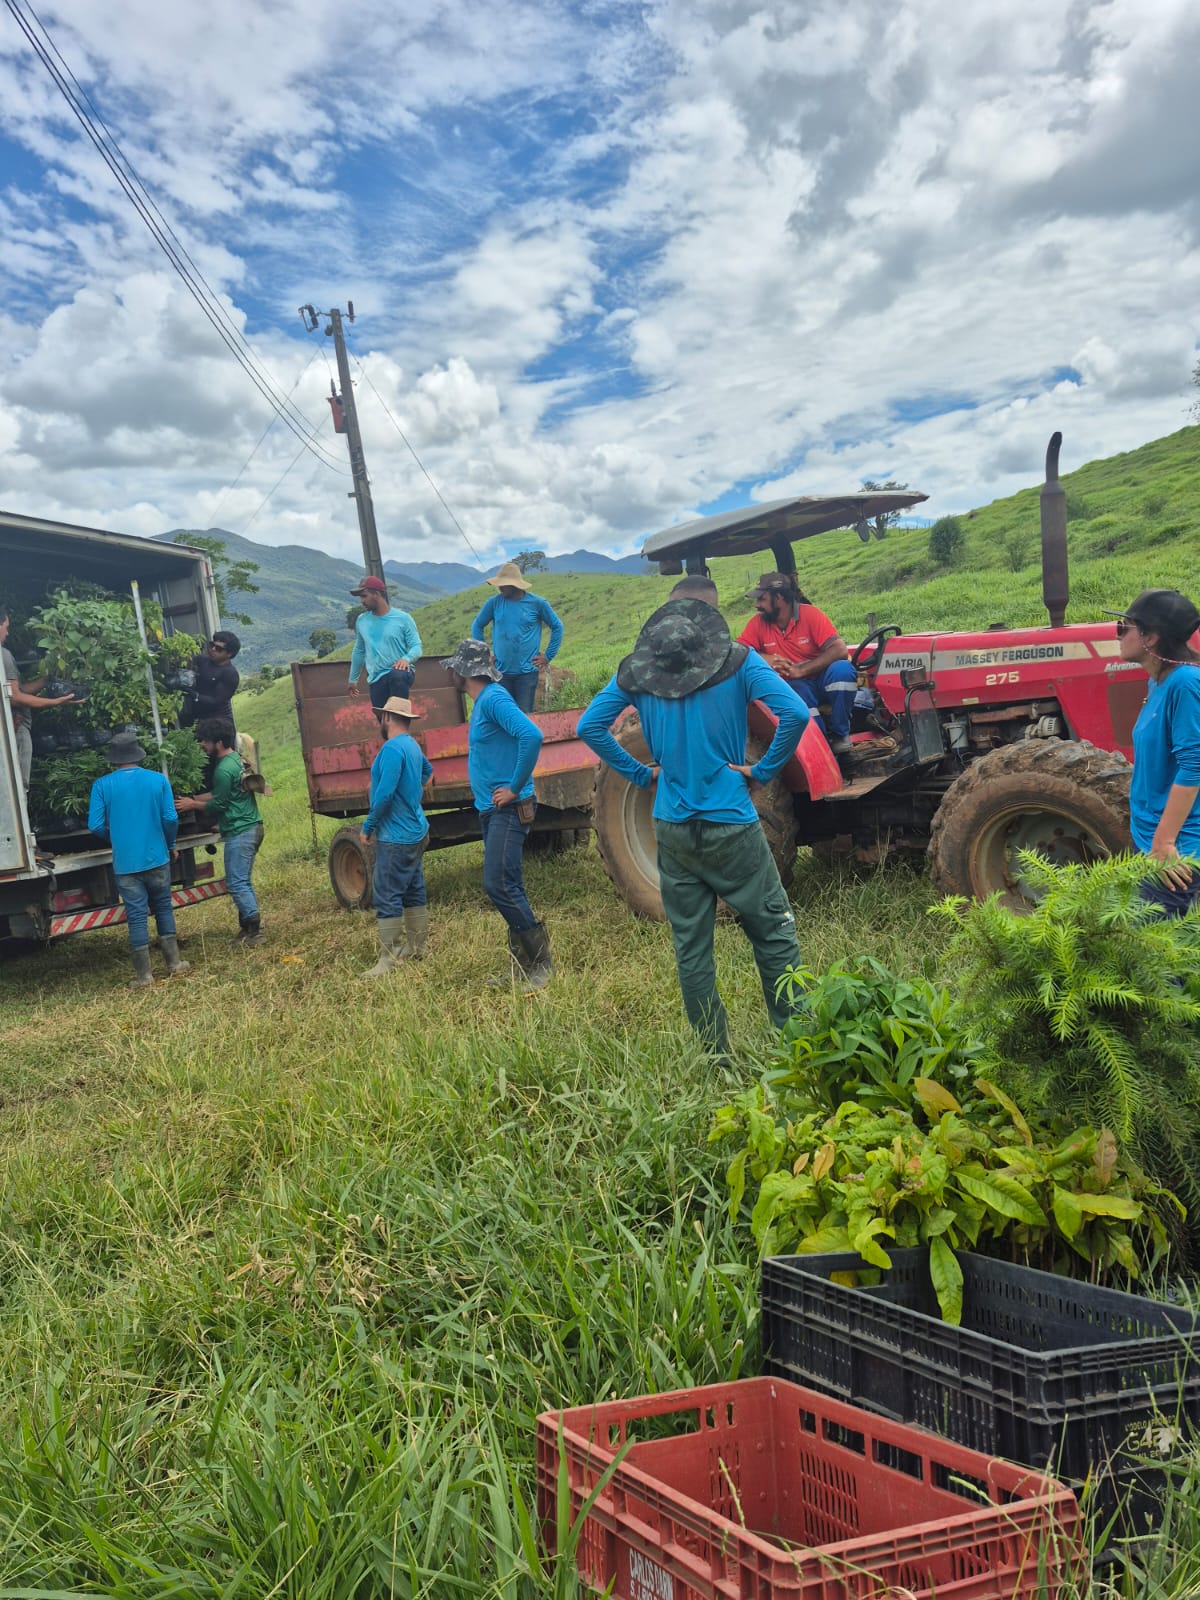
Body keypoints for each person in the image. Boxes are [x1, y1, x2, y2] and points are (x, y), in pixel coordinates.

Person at [578, 579, 808, 1056]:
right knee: (774, 933)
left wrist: (641, 775)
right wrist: (763, 772)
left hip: (673, 831)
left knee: (692, 949)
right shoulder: (741, 662)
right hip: (734, 825)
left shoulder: (639, 674)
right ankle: (798, 1047)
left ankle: (714, 1054)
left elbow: (589, 727)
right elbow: (796, 714)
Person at [441, 637, 553, 988]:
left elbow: (531, 735)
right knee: (510, 883)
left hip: (508, 807)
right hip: (492, 808)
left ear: (464, 671)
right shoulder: (485, 702)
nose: (451, 675)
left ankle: (541, 964)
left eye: (454, 669)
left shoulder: (493, 698)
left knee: (497, 884)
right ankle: (522, 966)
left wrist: (516, 787)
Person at [1106, 588, 1200, 916]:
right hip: (1149, 835)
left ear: (1151, 637)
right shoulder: (1158, 681)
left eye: (1124, 627)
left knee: (1165, 959)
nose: (1117, 635)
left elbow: (1194, 765)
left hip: (1176, 849)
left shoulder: (1185, 683)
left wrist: (1164, 843)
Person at [87, 731, 190, 988]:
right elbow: (170, 818)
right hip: (157, 857)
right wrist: (170, 844)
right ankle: (175, 964)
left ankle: (144, 976)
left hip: (126, 864)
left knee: (136, 916)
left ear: (114, 758)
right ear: (137, 753)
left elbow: (95, 825)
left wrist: (116, 838)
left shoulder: (102, 785)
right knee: (164, 908)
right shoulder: (158, 780)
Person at [736, 572, 858, 754]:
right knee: (797, 692)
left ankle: (841, 734)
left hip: (821, 679)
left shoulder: (810, 615)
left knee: (843, 670)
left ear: (778, 598)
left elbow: (839, 650)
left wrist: (802, 670)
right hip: (795, 685)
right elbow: (738, 653)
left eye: (762, 599)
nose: (757, 605)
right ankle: (822, 749)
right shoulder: (757, 624)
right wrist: (765, 658)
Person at [175, 717, 265, 944]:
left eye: (205, 742)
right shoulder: (236, 760)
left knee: (237, 883)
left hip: (240, 830)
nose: (202, 746)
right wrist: (193, 798)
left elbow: (219, 804)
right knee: (241, 880)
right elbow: (220, 793)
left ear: (218, 742)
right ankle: (247, 928)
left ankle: (255, 931)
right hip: (250, 826)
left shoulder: (223, 770)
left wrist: (192, 805)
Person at [361, 696, 432, 976]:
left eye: (381, 717)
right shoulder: (412, 745)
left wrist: (368, 827)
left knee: (387, 892)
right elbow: (428, 771)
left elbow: (385, 794)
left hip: (395, 835)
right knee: (414, 886)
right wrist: (412, 796)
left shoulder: (391, 749)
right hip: (417, 829)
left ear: (387, 718)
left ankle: (388, 959)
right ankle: (417, 947)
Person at [1, 607, 84, 791]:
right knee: (17, 788)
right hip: (14, 729)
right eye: (6, 626)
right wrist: (55, 702)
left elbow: (17, 690)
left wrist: (46, 681)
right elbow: (15, 697)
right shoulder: (3, 655)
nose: (8, 632)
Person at [470, 562, 564, 712]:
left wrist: (548, 656)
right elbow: (477, 626)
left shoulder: (537, 603)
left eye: (504, 584)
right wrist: (485, 653)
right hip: (500, 673)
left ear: (514, 585)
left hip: (527, 674)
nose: (500, 587)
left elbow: (558, 627)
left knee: (524, 715)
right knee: (503, 714)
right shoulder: (494, 603)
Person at [348, 576, 423, 709]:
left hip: (401, 674)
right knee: (383, 721)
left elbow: (416, 647)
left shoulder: (403, 619)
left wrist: (406, 659)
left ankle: (399, 718)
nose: (362, 601)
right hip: (376, 678)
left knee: (397, 677)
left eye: (364, 596)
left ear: (376, 594)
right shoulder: (362, 620)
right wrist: (353, 679)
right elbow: (359, 650)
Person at [185, 631, 241, 725]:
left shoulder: (230, 673)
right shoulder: (202, 660)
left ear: (229, 654)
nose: (213, 649)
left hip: (218, 721)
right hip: (197, 717)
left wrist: (194, 695)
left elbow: (216, 701)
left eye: (219, 649)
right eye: (212, 645)